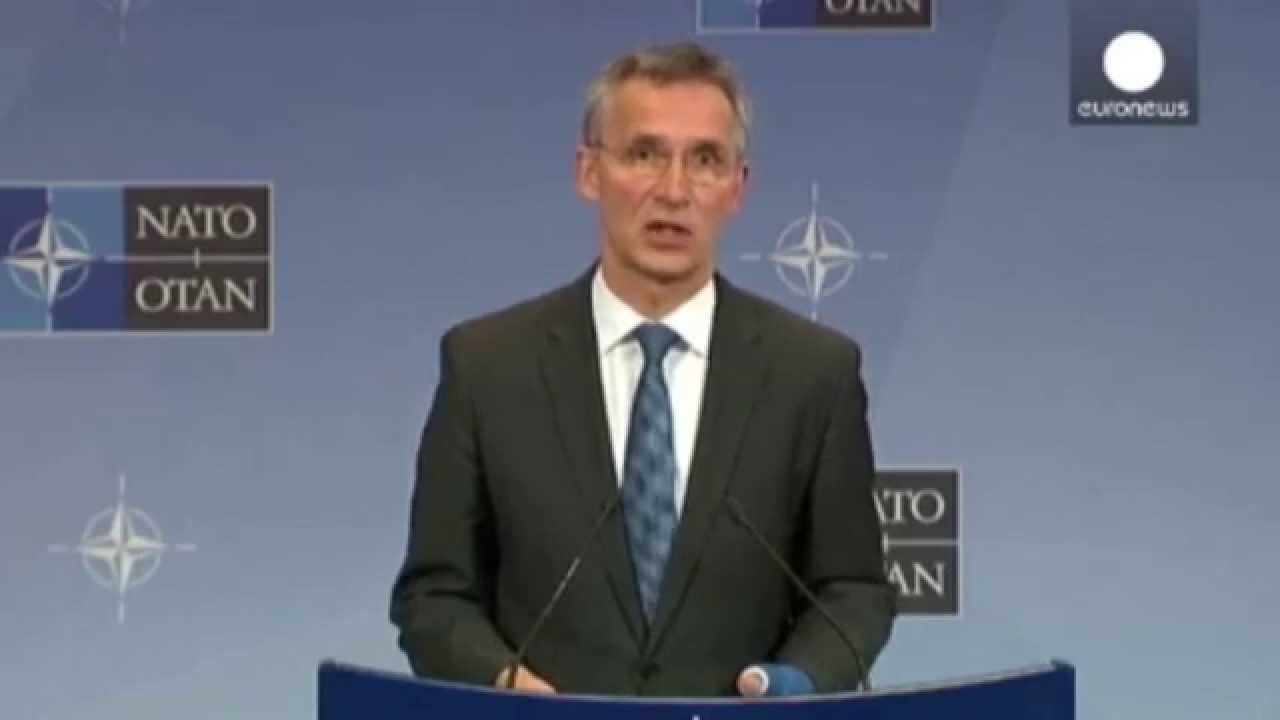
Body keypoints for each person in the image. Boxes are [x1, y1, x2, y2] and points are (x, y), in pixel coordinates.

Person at [389, 40, 894, 697]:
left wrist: (789, 685)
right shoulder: (487, 366)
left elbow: (852, 591)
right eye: (644, 154)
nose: (674, 191)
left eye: (705, 160)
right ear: (589, 172)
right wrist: (506, 685)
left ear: (737, 188)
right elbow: (434, 595)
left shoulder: (814, 373)